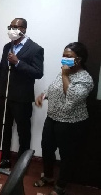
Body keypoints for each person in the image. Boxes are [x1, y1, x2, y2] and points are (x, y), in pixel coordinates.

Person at [33, 42, 94, 195]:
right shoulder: (63, 73)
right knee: (47, 150)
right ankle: (48, 177)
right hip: (52, 118)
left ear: (78, 60)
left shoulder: (85, 79)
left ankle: (61, 185)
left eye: (68, 56)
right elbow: (54, 88)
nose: (64, 59)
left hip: (71, 123)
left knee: (66, 155)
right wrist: (43, 95)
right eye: (63, 55)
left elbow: (72, 96)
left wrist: (65, 75)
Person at [0, 18, 44, 168]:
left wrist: (18, 62)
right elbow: (2, 72)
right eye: (10, 26)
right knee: (4, 129)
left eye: (15, 27)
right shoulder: (7, 47)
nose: (12, 30)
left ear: (24, 29)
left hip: (22, 98)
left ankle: (22, 164)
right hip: (5, 97)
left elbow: (38, 73)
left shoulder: (35, 48)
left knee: (23, 132)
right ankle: (4, 159)